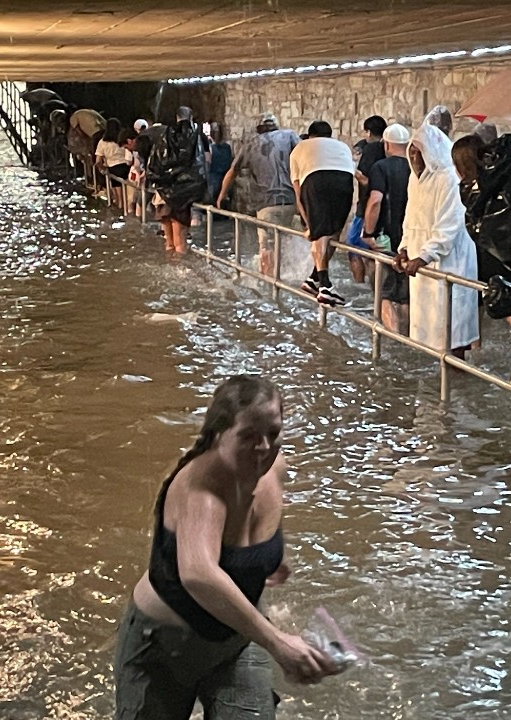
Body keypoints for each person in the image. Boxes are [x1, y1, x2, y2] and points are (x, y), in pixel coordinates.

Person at [115, 376, 341, 719]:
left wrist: (269, 561)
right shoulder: (201, 489)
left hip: (237, 638)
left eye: (273, 433)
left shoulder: (273, 468)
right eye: (248, 436)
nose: (264, 447)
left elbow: (259, 523)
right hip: (162, 647)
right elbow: (199, 575)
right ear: (220, 433)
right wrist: (278, 642)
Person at [394, 123, 479, 356]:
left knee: (452, 322)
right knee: (429, 324)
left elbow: (449, 224)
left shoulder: (449, 178)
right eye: (411, 151)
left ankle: (457, 371)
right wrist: (404, 248)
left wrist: (424, 255)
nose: (414, 157)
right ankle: (436, 373)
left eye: (418, 151)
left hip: (450, 259)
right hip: (421, 260)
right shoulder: (415, 179)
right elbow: (410, 216)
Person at [216, 113, 308, 283]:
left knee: (267, 246)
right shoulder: (289, 136)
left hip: (266, 205)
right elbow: (307, 156)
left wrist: (221, 195)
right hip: (293, 201)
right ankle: (296, 278)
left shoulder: (250, 144)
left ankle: (270, 284)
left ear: (258, 128)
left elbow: (233, 171)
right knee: (291, 240)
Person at [289, 120, 356, 306]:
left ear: (310, 135)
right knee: (333, 233)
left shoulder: (300, 148)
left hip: (315, 179)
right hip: (344, 181)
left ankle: (324, 286)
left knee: (319, 234)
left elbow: (298, 191)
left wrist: (307, 222)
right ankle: (313, 279)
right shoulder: (342, 146)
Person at [362, 123, 412, 333]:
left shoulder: (381, 167)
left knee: (385, 293)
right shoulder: (416, 167)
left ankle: (393, 340)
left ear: (387, 144)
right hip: (411, 239)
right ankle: (409, 337)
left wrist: (368, 232)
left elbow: (375, 201)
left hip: (387, 237)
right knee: (405, 294)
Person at [148, 107, 208, 255]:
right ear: (191, 117)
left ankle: (169, 264)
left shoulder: (165, 136)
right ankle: (180, 269)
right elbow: (204, 162)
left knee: (168, 240)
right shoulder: (197, 137)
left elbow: (155, 163)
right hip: (184, 196)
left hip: (164, 194)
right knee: (180, 239)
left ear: (176, 117)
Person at [346, 116, 388, 283]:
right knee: (374, 250)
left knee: (353, 248)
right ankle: (377, 291)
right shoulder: (386, 149)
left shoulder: (370, 150)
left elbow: (364, 179)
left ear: (368, 132)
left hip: (366, 207)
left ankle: (361, 285)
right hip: (385, 208)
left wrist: (351, 168)